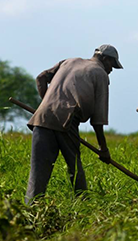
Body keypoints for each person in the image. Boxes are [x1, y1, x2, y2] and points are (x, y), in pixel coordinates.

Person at [25, 44, 123, 203]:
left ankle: (30, 207)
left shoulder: (69, 62)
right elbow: (98, 118)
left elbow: (41, 78)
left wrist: (47, 104)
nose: (111, 70)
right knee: (75, 167)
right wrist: (103, 149)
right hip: (67, 120)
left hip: (42, 118)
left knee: (38, 170)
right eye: (112, 65)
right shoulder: (100, 73)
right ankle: (84, 205)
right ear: (105, 59)